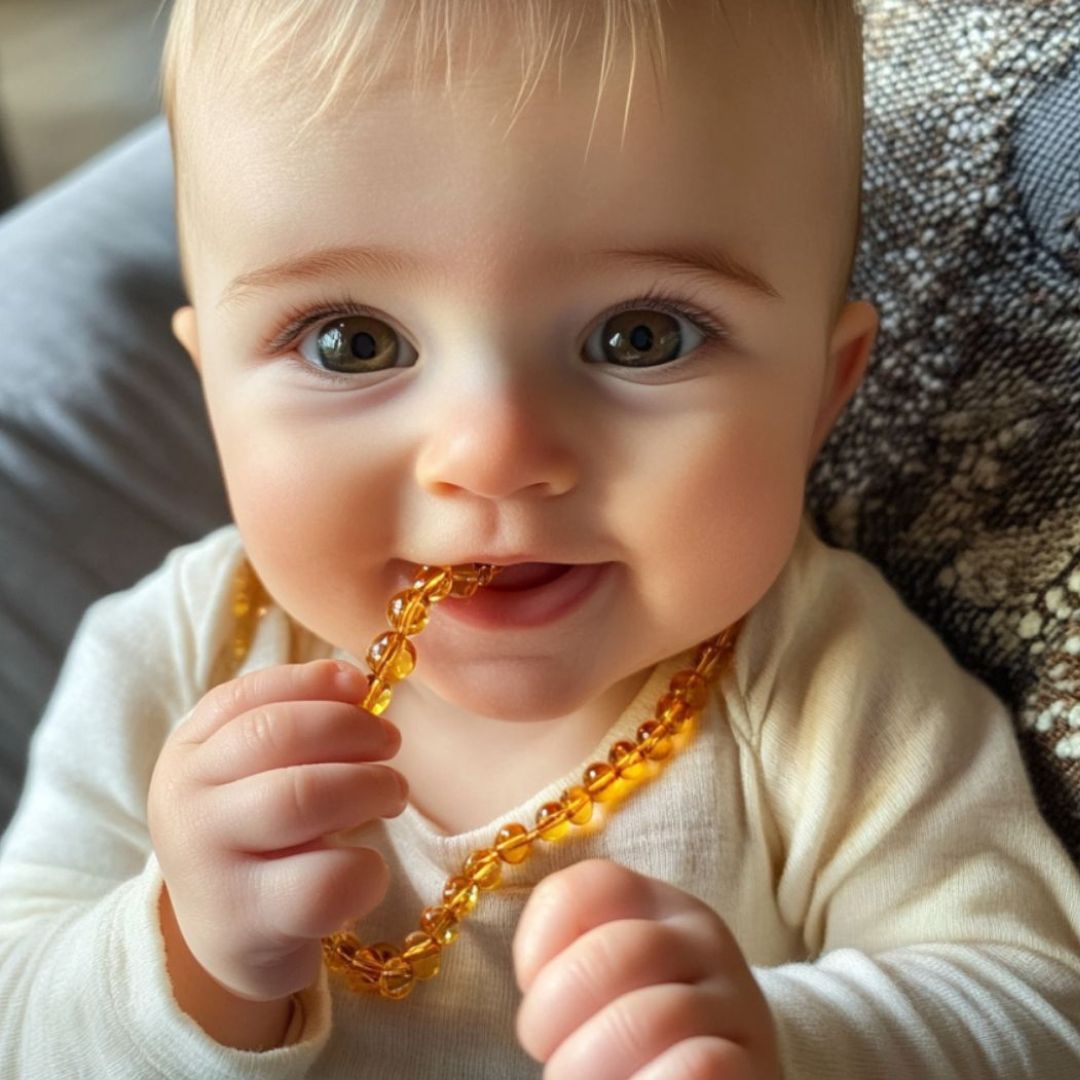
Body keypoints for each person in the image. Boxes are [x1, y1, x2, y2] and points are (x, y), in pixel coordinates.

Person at [2, 0, 1078, 1076]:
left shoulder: (824, 681)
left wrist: (787, 1042)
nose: (494, 452)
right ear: (211, 393)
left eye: (640, 335)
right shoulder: (174, 662)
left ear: (820, 395)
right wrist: (186, 955)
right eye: (353, 341)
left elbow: (1031, 1006)